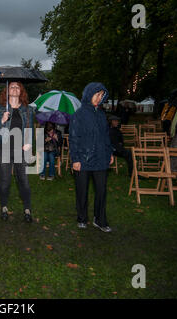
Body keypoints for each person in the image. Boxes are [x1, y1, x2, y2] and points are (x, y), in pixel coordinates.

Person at [69, 82, 114, 233]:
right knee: (82, 191)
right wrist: (75, 159)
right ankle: (82, 218)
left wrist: (110, 153)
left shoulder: (101, 115)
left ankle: (100, 219)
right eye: (97, 94)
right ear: (89, 94)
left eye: (102, 95)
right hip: (83, 159)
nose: (99, 98)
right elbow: (74, 139)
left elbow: (106, 136)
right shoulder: (79, 115)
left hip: (101, 158)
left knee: (101, 190)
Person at [0, 82, 33, 223]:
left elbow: (30, 128)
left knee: (24, 181)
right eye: (12, 87)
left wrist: (29, 142)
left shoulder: (27, 110)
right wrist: (2, 120)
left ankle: (27, 209)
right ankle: (4, 207)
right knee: (5, 182)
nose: (15, 88)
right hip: (4, 149)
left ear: (21, 91)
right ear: (7, 91)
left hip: (21, 150)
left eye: (17, 87)